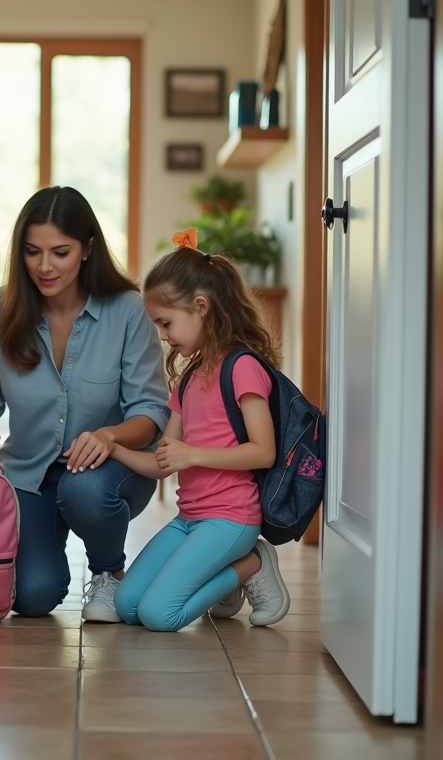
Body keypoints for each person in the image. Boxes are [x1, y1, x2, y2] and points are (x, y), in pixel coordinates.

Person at [0, 186, 169, 622]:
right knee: (33, 597)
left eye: (60, 252)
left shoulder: (128, 310)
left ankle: (109, 571)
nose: (44, 266)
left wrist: (108, 436)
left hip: (111, 471)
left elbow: (151, 411)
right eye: (32, 252)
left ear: (87, 249)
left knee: (82, 490)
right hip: (30, 474)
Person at [111, 233, 290, 632]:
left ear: (201, 306)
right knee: (127, 604)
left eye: (166, 323)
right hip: (190, 518)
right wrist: (113, 447)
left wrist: (192, 454)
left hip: (232, 519)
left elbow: (263, 451)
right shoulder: (189, 379)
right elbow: (163, 462)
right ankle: (223, 574)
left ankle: (251, 563)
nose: (163, 335)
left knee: (158, 615)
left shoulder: (243, 367)